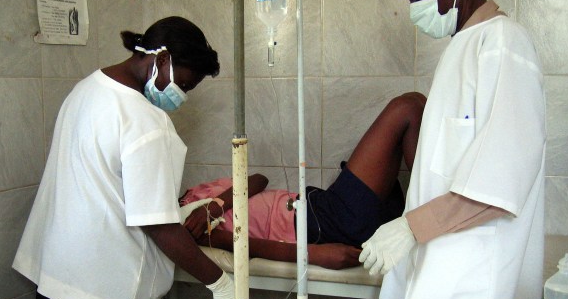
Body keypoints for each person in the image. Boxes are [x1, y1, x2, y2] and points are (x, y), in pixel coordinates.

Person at [12, 16, 235, 299]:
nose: (182, 95)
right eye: (185, 84)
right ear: (161, 59)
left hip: (57, 282)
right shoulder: (145, 120)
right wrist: (219, 282)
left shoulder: (86, 89)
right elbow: (159, 225)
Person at [359, 0, 546, 299]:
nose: (413, 12)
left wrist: (411, 226)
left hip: (473, 290)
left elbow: (502, 181)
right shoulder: (462, 47)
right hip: (440, 276)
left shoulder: (502, 44)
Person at [179, 92, 427, 270]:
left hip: (316, 207)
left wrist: (214, 206)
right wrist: (314, 255)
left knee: (413, 105)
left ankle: (429, 214)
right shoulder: (186, 225)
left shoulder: (194, 196)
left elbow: (258, 180)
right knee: (407, 107)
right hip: (318, 226)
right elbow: (247, 245)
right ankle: (430, 213)